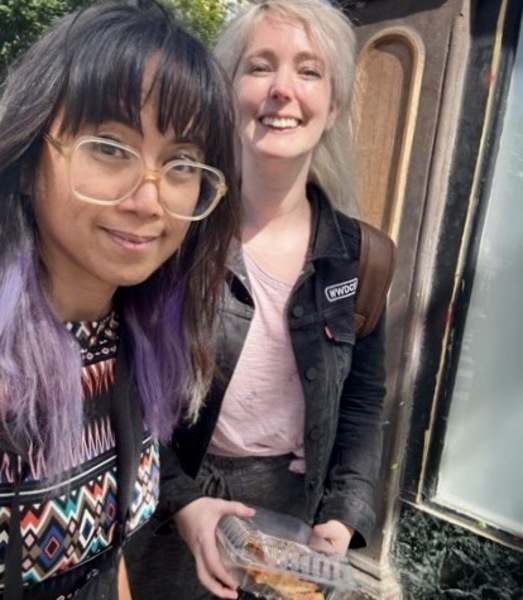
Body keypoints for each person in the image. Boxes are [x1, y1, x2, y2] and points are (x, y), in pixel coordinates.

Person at [125, 0, 391, 598]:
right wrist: (183, 502)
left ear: (335, 104)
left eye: (309, 70)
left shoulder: (363, 257)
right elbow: (124, 378)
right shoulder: (172, 228)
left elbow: (363, 402)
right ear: (227, 90)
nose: (281, 90)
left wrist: (345, 513)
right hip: (173, 506)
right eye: (259, 66)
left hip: (289, 515)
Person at [0, 1, 252, 598]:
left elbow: (106, 556)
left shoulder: (136, 341)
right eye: (110, 147)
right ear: (33, 148)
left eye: (183, 162)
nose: (150, 199)